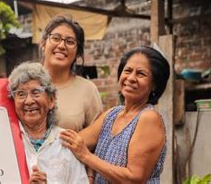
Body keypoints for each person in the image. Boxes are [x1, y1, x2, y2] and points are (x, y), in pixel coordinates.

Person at [59, 46, 170, 184]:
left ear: (154, 85)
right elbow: (74, 142)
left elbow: (133, 178)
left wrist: (87, 157)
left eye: (141, 74)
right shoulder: (112, 114)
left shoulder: (149, 118)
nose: (131, 78)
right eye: (128, 71)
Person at [7, 62, 89, 183]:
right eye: (21, 94)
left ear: (51, 100)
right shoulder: (6, 141)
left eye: (35, 92)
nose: (29, 101)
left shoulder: (67, 142)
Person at [40, 15, 103, 131]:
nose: (61, 46)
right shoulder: (24, 82)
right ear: (43, 43)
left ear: (78, 53)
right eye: (55, 38)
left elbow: (97, 138)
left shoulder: (88, 90)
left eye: (70, 42)